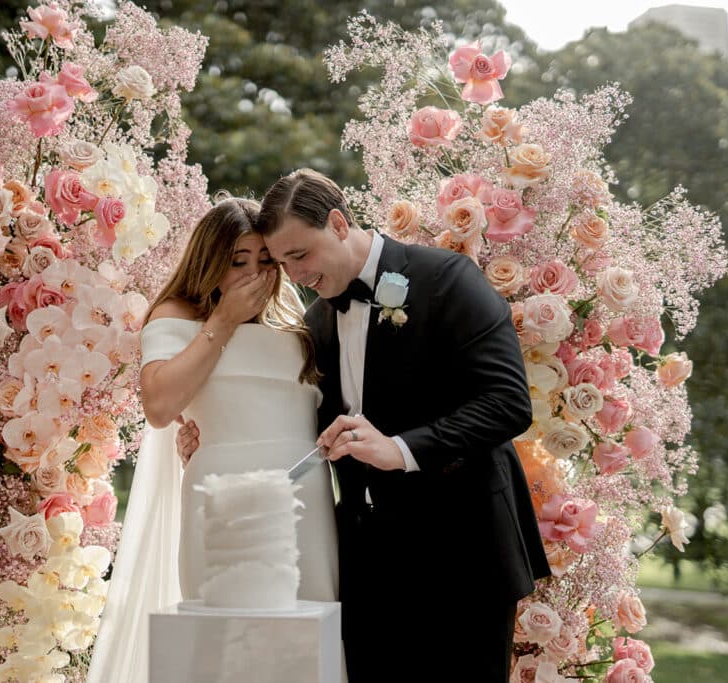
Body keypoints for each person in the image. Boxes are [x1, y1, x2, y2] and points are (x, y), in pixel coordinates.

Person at [179, 169, 551, 682]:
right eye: (283, 263)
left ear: (337, 222)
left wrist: (400, 448)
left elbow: (508, 403)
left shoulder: (447, 279)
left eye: (300, 255)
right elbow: (294, 420)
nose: (294, 274)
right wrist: (209, 431)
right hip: (369, 567)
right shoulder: (314, 325)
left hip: (465, 556)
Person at [86, 196, 339, 683]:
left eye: (266, 261)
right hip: (222, 498)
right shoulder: (174, 316)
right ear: (209, 262)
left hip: (303, 498)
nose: (253, 275)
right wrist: (221, 322)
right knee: (225, 643)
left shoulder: (294, 321)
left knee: (309, 638)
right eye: (237, 261)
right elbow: (160, 407)